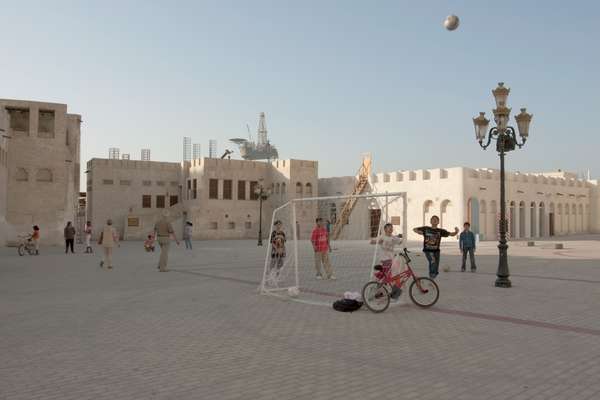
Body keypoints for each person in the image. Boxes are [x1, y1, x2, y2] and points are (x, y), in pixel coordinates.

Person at [371, 223, 403, 298]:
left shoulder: (393, 237)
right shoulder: (382, 237)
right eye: (389, 228)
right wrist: (376, 241)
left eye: (391, 228)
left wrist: (401, 236)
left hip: (391, 258)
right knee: (386, 275)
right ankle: (381, 290)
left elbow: (400, 241)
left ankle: (383, 290)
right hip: (384, 259)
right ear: (385, 229)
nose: (391, 229)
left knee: (391, 275)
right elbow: (372, 241)